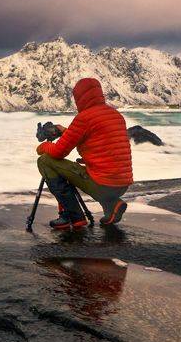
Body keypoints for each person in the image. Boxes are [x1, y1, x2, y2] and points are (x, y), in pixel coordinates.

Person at [35, 76, 132, 230]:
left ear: (79, 97)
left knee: (45, 161)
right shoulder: (115, 115)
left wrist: (43, 146)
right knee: (87, 171)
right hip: (122, 183)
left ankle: (73, 216)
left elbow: (58, 152)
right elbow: (96, 139)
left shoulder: (84, 118)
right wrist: (66, 132)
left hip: (103, 184)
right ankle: (113, 205)